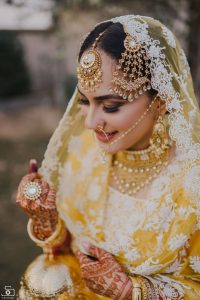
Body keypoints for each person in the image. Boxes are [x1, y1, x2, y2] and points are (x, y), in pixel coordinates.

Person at [16, 15, 200, 299]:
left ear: (161, 102)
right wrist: (46, 221)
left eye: (111, 106)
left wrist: (133, 291)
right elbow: (68, 254)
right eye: (83, 102)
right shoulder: (85, 154)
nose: (90, 123)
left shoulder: (192, 184)